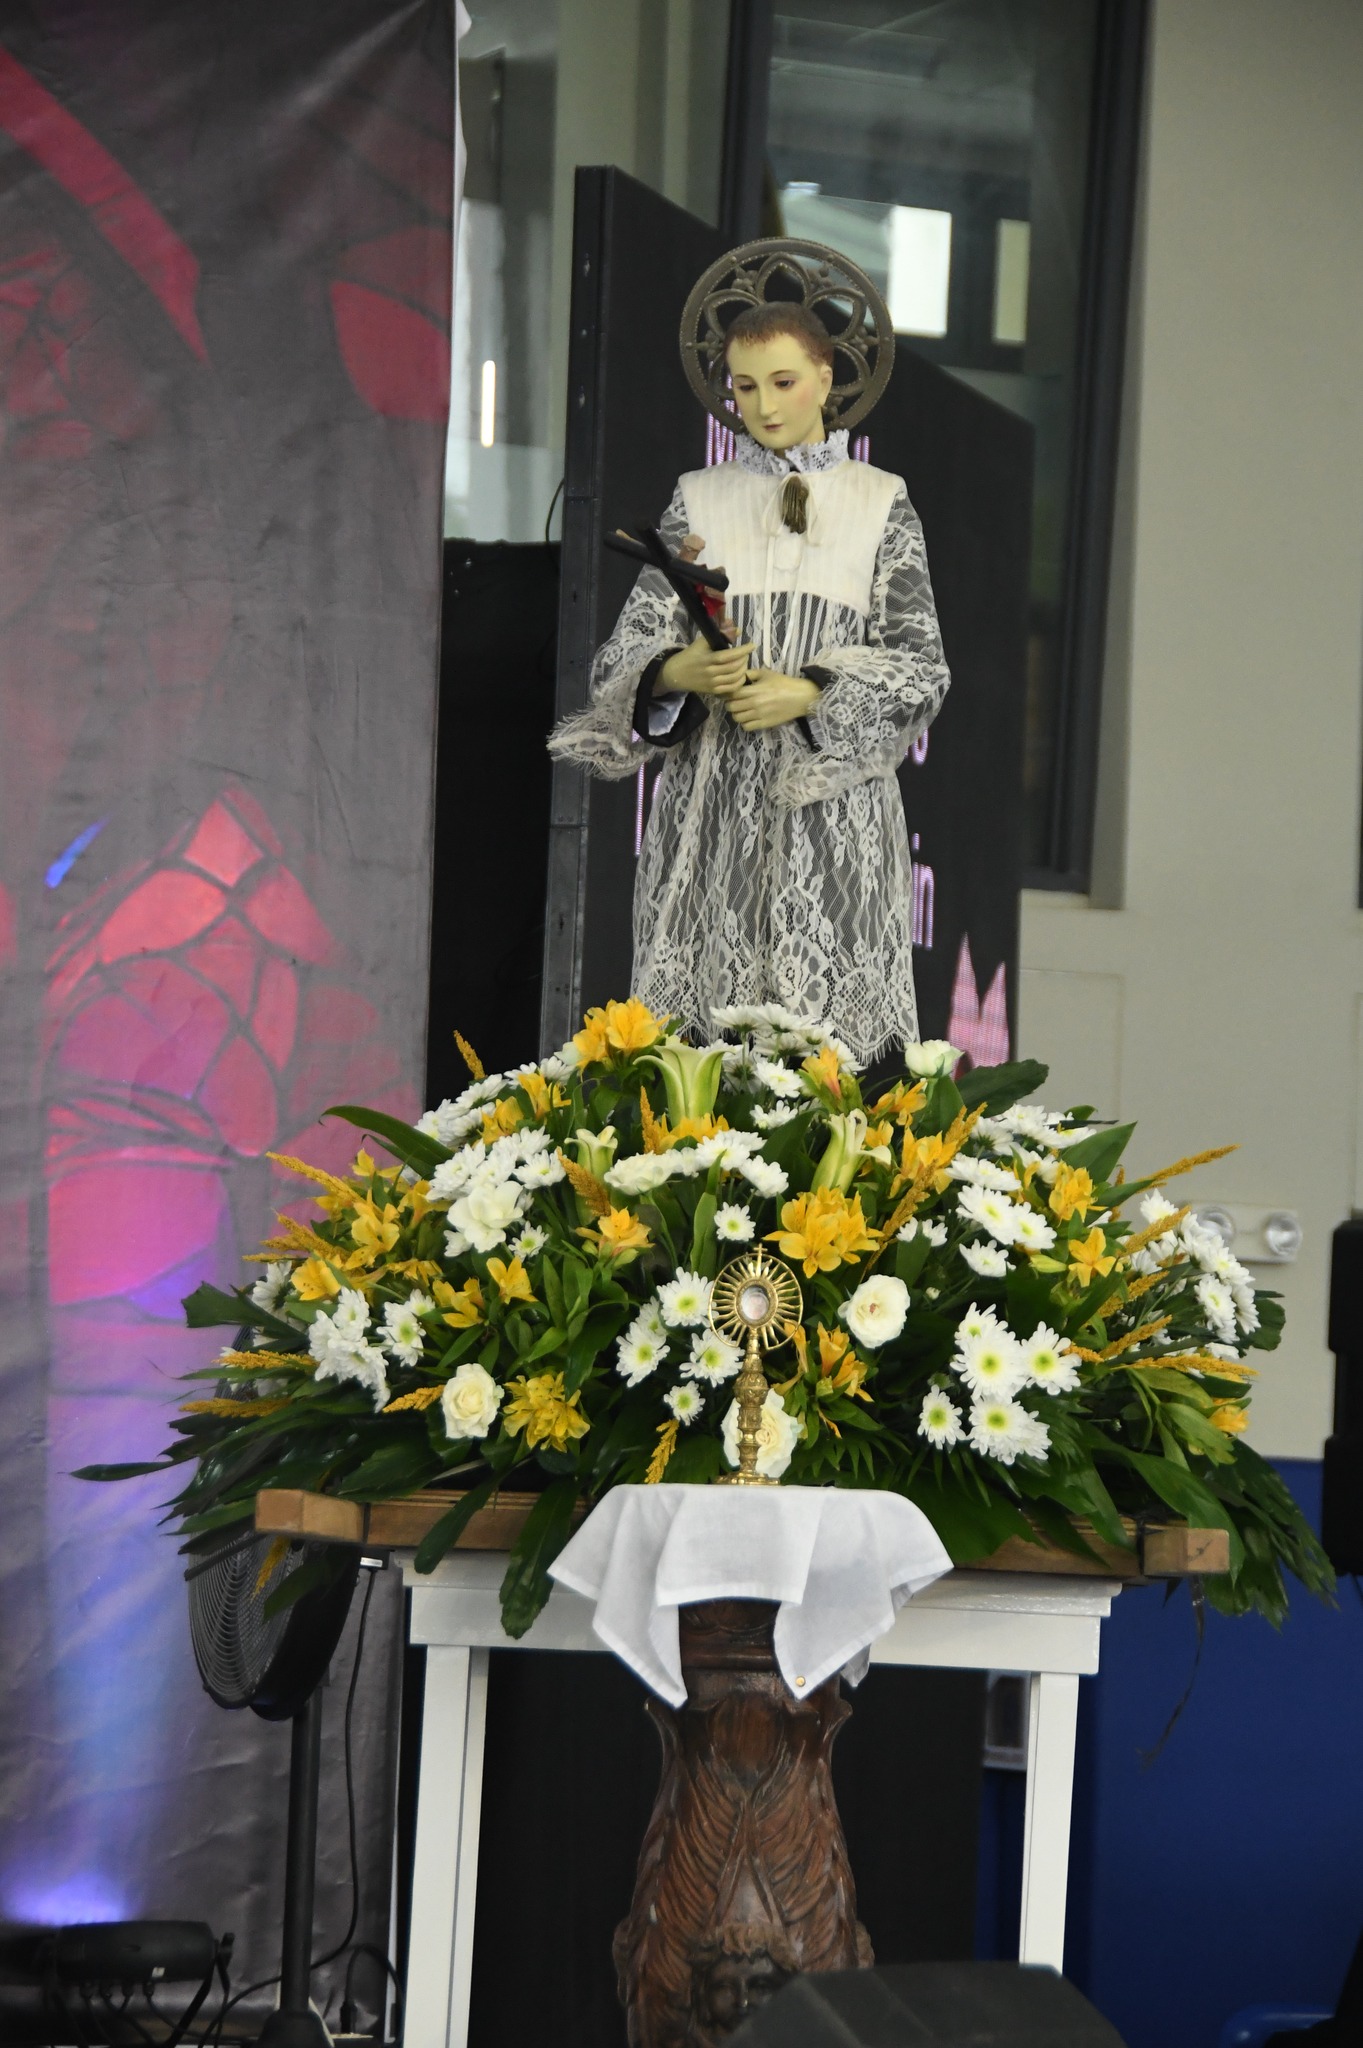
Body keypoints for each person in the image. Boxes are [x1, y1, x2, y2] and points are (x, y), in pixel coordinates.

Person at [548, 241, 951, 1065]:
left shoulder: (881, 503)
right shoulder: (699, 498)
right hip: (710, 804)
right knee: (698, 1037)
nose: (762, 406)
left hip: (829, 807)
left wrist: (810, 691)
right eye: (742, 386)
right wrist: (681, 672)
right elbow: (629, 652)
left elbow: (920, 663)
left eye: (782, 381)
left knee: (826, 1046)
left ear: (826, 378)